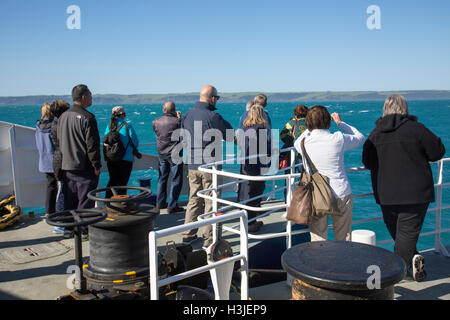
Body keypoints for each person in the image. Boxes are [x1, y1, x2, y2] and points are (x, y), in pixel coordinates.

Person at [362, 94, 445, 282]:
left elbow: (366, 161)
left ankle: (396, 271)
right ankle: (394, 276)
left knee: (400, 235)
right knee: (406, 236)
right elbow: (437, 151)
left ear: (385, 110)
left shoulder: (375, 134)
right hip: (415, 193)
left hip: (386, 194)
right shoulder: (416, 130)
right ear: (404, 109)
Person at [294, 105, 365, 242]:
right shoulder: (338, 139)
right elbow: (360, 137)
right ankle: (342, 262)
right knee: (343, 238)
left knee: (318, 240)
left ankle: (319, 263)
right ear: (328, 121)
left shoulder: (302, 142)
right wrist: (340, 123)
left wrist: (308, 129)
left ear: (308, 122)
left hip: (316, 195)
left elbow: (298, 140)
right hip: (341, 193)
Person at [181, 85, 233, 248]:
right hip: (210, 165)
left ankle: (188, 235)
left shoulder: (188, 114)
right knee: (212, 201)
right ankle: (209, 239)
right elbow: (229, 135)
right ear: (212, 98)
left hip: (193, 164)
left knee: (194, 199)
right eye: (216, 98)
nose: (216, 101)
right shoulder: (213, 116)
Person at [57, 84, 101, 239]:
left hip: (67, 165)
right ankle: (82, 230)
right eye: (90, 95)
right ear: (83, 97)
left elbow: (58, 141)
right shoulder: (88, 118)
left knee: (70, 198)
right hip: (84, 166)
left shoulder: (63, 117)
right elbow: (92, 145)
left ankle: (69, 229)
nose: (92, 97)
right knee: (85, 200)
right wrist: (96, 165)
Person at [237, 105, 270, 232]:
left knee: (247, 192)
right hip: (256, 165)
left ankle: (247, 220)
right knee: (254, 193)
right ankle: (251, 223)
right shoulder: (261, 129)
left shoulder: (245, 128)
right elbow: (264, 150)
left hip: (245, 163)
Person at [152, 101, 184, 213]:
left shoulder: (155, 121)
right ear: (174, 110)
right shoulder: (177, 122)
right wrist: (179, 118)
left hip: (162, 153)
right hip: (175, 154)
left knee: (162, 179)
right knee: (176, 180)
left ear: (164, 110)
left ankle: (160, 203)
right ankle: (172, 205)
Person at [104, 106, 139, 198]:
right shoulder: (127, 126)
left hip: (111, 159)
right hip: (125, 158)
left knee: (112, 181)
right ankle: (121, 205)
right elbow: (135, 141)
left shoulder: (108, 127)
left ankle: (108, 203)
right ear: (122, 115)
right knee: (123, 183)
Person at [49, 100, 70, 234]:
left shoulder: (54, 123)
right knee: (62, 193)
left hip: (58, 159)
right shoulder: (60, 125)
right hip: (62, 161)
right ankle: (61, 224)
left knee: (62, 191)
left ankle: (61, 222)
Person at [35, 103, 58, 216]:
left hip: (44, 160)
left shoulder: (38, 126)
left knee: (50, 186)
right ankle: (60, 210)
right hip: (55, 160)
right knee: (63, 186)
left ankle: (49, 211)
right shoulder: (54, 125)